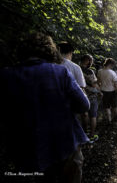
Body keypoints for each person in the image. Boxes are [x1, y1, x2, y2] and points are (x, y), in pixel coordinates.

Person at [0, 32, 90, 183]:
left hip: (24, 147)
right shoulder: (60, 72)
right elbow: (83, 105)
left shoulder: (6, 75)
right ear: (49, 50)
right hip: (64, 143)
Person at [81, 54, 100, 142]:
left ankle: (85, 133)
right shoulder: (89, 71)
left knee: (84, 115)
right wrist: (99, 88)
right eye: (90, 61)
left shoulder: (76, 69)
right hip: (91, 95)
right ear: (88, 61)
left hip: (81, 95)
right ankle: (92, 135)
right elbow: (94, 84)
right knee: (93, 115)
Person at [97, 58, 117, 123]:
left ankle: (109, 120)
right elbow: (116, 85)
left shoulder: (100, 71)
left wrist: (99, 90)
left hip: (103, 91)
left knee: (106, 106)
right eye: (113, 65)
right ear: (110, 64)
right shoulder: (112, 72)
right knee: (114, 105)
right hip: (112, 91)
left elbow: (98, 82)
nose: (113, 66)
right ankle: (115, 117)